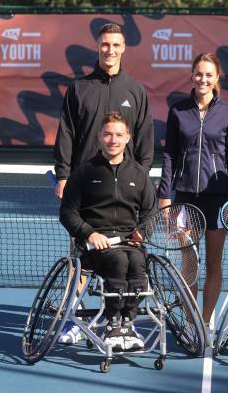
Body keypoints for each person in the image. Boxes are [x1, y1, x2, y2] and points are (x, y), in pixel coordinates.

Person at [59, 112, 157, 352]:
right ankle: (113, 323)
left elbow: (151, 213)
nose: (113, 140)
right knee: (119, 260)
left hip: (129, 243)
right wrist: (89, 233)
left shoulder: (139, 173)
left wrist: (142, 233)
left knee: (136, 261)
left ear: (128, 138)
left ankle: (127, 321)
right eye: (108, 134)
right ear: (99, 137)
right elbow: (68, 213)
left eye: (119, 135)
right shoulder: (84, 172)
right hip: (96, 246)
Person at [157, 52, 228, 327]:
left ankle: (205, 321)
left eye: (208, 74)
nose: (203, 79)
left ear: (216, 78)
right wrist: (164, 197)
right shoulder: (178, 111)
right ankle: (192, 322)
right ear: (192, 76)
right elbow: (169, 155)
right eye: (198, 73)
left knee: (214, 263)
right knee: (189, 265)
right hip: (184, 199)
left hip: (217, 200)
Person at [54, 22, 154, 200]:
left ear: (123, 48)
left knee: (124, 229)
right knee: (85, 229)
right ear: (98, 46)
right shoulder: (78, 89)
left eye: (116, 45)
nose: (110, 50)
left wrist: (142, 174)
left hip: (125, 183)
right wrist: (63, 176)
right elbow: (66, 133)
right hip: (84, 180)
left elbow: (144, 137)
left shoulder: (136, 91)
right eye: (105, 44)